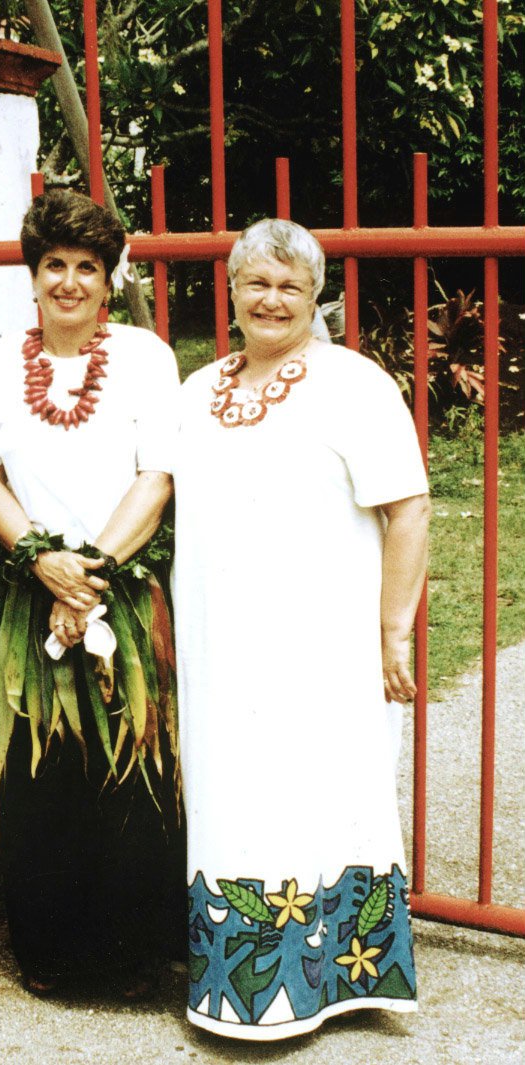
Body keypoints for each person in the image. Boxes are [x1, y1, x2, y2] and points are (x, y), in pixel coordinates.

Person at [173, 218, 429, 1039]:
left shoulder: (354, 384)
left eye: (289, 284)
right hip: (223, 652)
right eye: (256, 282)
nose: (271, 299)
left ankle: (335, 984)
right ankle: (248, 985)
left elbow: (408, 505)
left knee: (324, 793)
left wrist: (393, 628)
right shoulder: (195, 391)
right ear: (232, 291)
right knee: (236, 797)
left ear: (314, 295)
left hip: (320, 648)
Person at [0, 189, 184, 995]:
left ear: (107, 275)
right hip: (29, 591)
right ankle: (52, 952)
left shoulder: (144, 358)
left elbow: (155, 475)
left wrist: (85, 572)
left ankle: (133, 951)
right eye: (53, 264)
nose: (68, 282)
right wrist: (37, 561)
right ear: (31, 274)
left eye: (86, 267)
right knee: (40, 771)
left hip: (115, 584)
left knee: (132, 760)